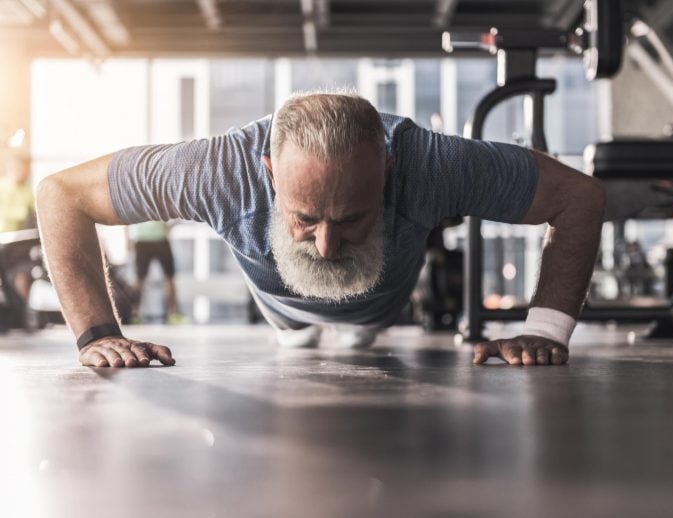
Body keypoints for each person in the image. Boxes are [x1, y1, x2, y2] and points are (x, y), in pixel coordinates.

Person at [36, 92, 605, 368]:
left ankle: (348, 320)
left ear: (387, 168)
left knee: (359, 338)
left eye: (352, 217)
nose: (328, 245)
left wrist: (546, 329)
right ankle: (298, 325)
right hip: (281, 311)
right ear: (268, 174)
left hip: (381, 308)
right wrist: (96, 335)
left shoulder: (432, 164)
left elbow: (577, 196)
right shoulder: (216, 172)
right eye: (305, 219)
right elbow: (61, 195)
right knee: (298, 337)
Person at [128, 221, 184, 324]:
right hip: (142, 239)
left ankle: (173, 314)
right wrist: (127, 239)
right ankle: (134, 314)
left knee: (169, 278)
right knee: (139, 279)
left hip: (160, 238)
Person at [0, 152, 36, 303]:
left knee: (23, 271)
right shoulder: (2, 188)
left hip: (19, 245)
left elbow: (35, 212)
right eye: (23, 168)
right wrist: (21, 213)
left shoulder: (26, 191)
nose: (26, 172)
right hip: (3, 241)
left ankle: (25, 312)